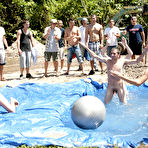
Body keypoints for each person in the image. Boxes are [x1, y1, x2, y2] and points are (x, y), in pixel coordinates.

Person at [80, 37, 133, 104]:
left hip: (120, 85)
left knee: (124, 102)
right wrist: (87, 47)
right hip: (110, 85)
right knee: (106, 104)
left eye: (114, 54)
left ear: (118, 55)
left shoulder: (123, 61)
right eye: (111, 54)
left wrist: (125, 44)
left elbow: (131, 54)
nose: (112, 55)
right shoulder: (108, 60)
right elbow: (97, 55)